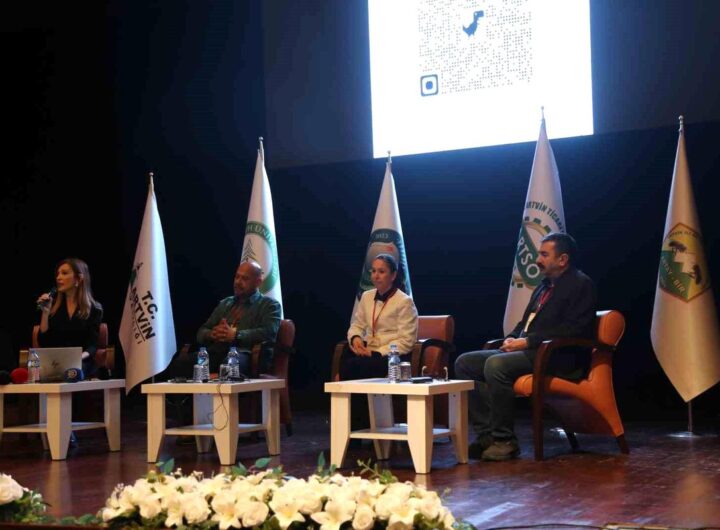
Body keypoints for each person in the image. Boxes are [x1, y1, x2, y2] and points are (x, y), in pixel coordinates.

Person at [455, 232, 596, 461]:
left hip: (558, 357)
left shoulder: (581, 284)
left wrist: (529, 341)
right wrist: (511, 338)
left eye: (544, 255)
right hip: (531, 351)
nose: (537, 260)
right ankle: (487, 435)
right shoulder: (543, 286)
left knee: (496, 365)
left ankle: (505, 440)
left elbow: (575, 330)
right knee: (465, 363)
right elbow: (525, 323)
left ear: (563, 259)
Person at [195, 260, 281, 375]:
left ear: (258, 282)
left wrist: (236, 335)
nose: (238, 282)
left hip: (246, 354)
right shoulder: (225, 303)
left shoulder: (270, 305)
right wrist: (212, 334)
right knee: (181, 363)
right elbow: (201, 332)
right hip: (218, 352)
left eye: (245, 278)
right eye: (237, 277)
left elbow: (269, 332)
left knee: (230, 364)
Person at [340, 253, 418, 380]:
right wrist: (356, 338)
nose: (376, 276)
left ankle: (357, 394)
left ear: (393, 275)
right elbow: (357, 325)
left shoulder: (404, 301)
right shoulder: (366, 296)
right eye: (373, 271)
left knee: (355, 365)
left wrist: (377, 352)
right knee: (346, 355)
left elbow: (407, 341)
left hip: (389, 356)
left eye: (381, 272)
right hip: (369, 350)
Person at [36, 258, 103, 377]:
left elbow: (93, 345)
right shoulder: (53, 305)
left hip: (82, 362)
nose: (58, 278)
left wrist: (77, 357)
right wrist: (45, 313)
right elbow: (43, 342)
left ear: (79, 278)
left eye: (64, 273)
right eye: (58, 274)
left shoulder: (94, 309)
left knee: (73, 372)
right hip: (55, 363)